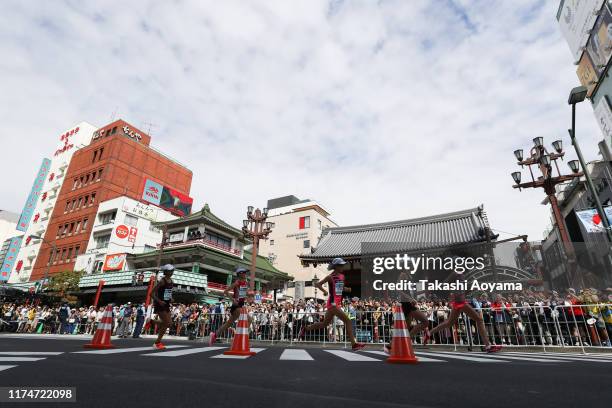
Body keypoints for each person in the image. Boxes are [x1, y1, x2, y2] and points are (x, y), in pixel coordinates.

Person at [299, 258, 365, 351]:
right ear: (336, 266)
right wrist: (325, 291)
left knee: (324, 324)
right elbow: (318, 284)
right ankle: (354, 344)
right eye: (341, 265)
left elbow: (339, 288)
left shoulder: (342, 276)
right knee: (348, 321)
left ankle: (305, 328)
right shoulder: (330, 277)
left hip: (336, 304)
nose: (343, 267)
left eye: (343, 265)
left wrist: (347, 289)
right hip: (333, 304)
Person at [426, 291, 502, 353]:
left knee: (449, 323)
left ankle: (429, 333)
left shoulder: (459, 277)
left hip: (459, 302)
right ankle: (487, 345)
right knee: (479, 320)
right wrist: (469, 290)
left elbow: (457, 292)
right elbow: (457, 292)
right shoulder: (458, 276)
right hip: (460, 302)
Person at [384, 271, 430, 354]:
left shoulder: (409, 276)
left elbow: (411, 292)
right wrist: (410, 299)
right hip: (406, 304)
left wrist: (422, 292)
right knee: (425, 321)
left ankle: (390, 346)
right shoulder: (403, 275)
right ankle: (402, 341)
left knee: (406, 329)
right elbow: (399, 290)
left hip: (408, 303)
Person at [209, 266, 250, 345]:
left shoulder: (245, 282)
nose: (245, 274)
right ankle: (242, 340)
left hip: (241, 305)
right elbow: (226, 291)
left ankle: (214, 335)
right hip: (236, 306)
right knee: (249, 319)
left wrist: (248, 295)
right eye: (244, 272)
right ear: (240, 274)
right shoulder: (237, 282)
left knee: (229, 323)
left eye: (245, 272)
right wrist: (233, 300)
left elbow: (243, 295)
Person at [151, 264, 175, 349]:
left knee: (170, 323)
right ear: (166, 272)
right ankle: (157, 342)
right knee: (167, 323)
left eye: (172, 270)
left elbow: (168, 292)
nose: (171, 272)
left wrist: (171, 298)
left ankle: (152, 321)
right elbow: (152, 293)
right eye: (170, 271)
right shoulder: (162, 281)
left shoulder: (171, 281)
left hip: (167, 304)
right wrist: (159, 301)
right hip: (160, 304)